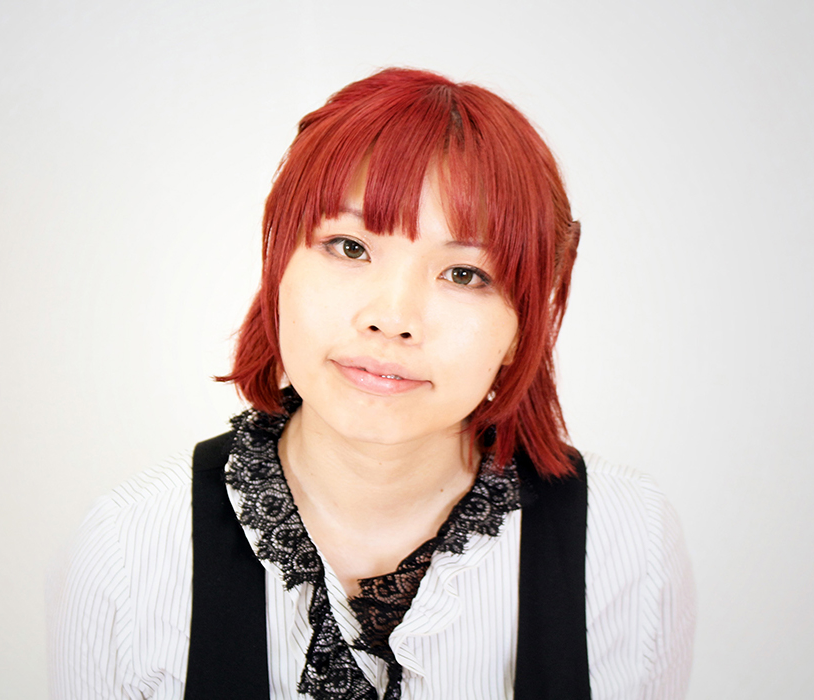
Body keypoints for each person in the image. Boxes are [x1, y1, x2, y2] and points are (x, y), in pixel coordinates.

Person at [51, 68, 696, 700]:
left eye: (465, 274)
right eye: (350, 247)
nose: (392, 317)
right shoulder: (131, 548)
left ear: (523, 319)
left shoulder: (625, 543)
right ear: (278, 268)